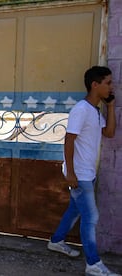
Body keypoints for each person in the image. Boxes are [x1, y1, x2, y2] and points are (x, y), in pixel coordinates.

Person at [47, 66, 118, 276]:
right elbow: (69, 140)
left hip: (88, 172)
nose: (111, 87)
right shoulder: (81, 109)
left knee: (75, 210)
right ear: (95, 85)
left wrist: (111, 106)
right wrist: (70, 172)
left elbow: (110, 132)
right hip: (79, 174)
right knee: (91, 217)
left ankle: (56, 241)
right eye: (108, 82)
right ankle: (94, 264)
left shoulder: (94, 111)